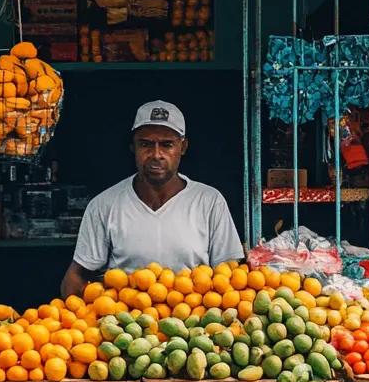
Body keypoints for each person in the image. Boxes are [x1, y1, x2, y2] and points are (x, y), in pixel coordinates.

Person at [60, 101, 244, 295]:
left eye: (167, 145)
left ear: (183, 147)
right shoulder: (104, 204)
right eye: (146, 144)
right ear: (133, 147)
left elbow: (230, 274)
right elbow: (77, 275)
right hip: (126, 320)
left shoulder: (209, 201)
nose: (156, 154)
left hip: (194, 319)